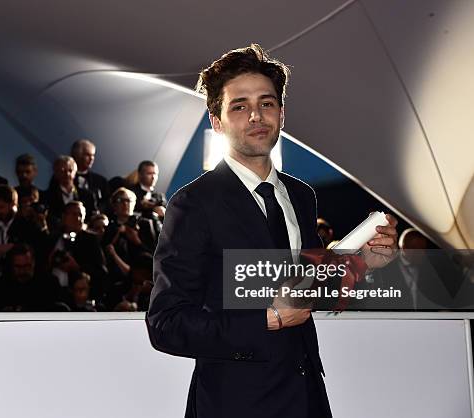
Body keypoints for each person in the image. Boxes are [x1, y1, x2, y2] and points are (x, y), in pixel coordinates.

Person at [145, 44, 398, 418]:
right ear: (217, 121)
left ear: (281, 113)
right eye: (239, 106)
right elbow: (166, 324)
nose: (256, 116)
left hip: (306, 395)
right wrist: (268, 318)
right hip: (236, 403)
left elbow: (308, 289)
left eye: (266, 103)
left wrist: (363, 264)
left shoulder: (300, 196)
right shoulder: (193, 204)